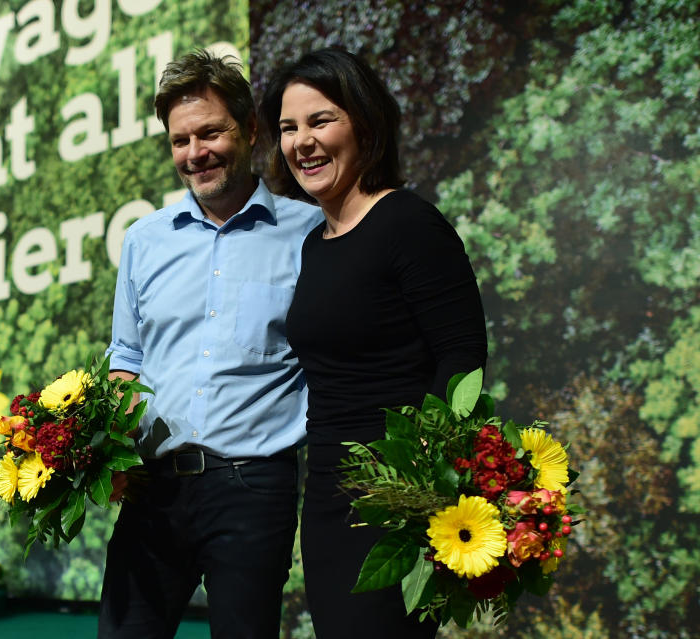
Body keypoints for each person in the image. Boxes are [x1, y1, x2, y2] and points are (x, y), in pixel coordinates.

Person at [260, 48, 488, 637]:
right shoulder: (316, 242)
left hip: (399, 499)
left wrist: (419, 485)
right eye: (288, 128)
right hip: (331, 497)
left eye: (320, 121)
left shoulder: (408, 223)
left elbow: (462, 360)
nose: (301, 141)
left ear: (364, 122)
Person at [98, 49, 321, 639]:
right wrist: (105, 448)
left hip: (254, 488)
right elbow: (126, 358)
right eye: (179, 141)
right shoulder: (143, 241)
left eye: (210, 133)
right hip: (152, 490)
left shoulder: (309, 233)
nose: (194, 153)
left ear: (249, 129)